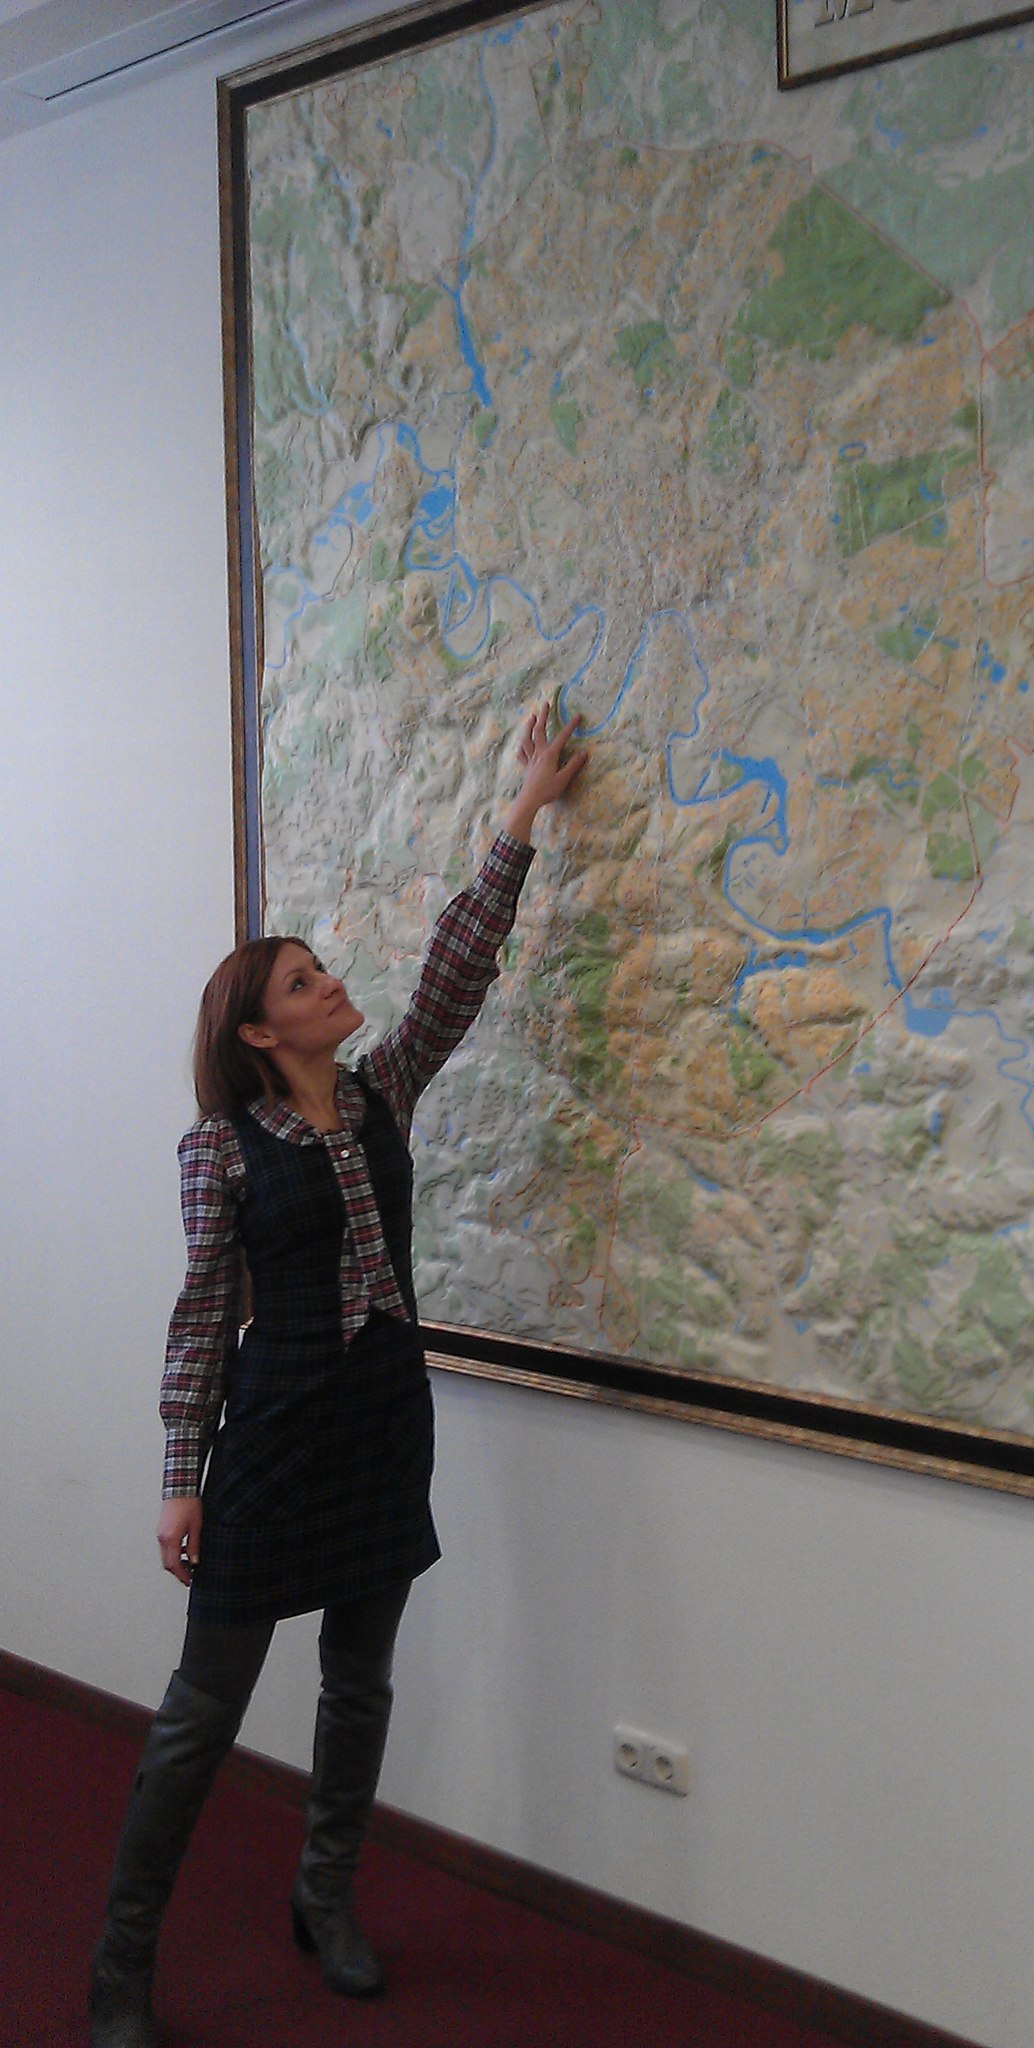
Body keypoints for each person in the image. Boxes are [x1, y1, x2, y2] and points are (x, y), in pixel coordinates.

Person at [88, 705, 588, 2048]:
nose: (329, 987)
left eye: (321, 972)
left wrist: (522, 809)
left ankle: (325, 1896)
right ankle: (122, 1966)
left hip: (382, 1428)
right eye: (303, 983)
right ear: (260, 1033)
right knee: (200, 1715)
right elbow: (204, 1318)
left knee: (359, 1684)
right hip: (273, 1441)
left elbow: (455, 973)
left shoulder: (379, 1096)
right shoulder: (220, 1151)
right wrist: (179, 1478)